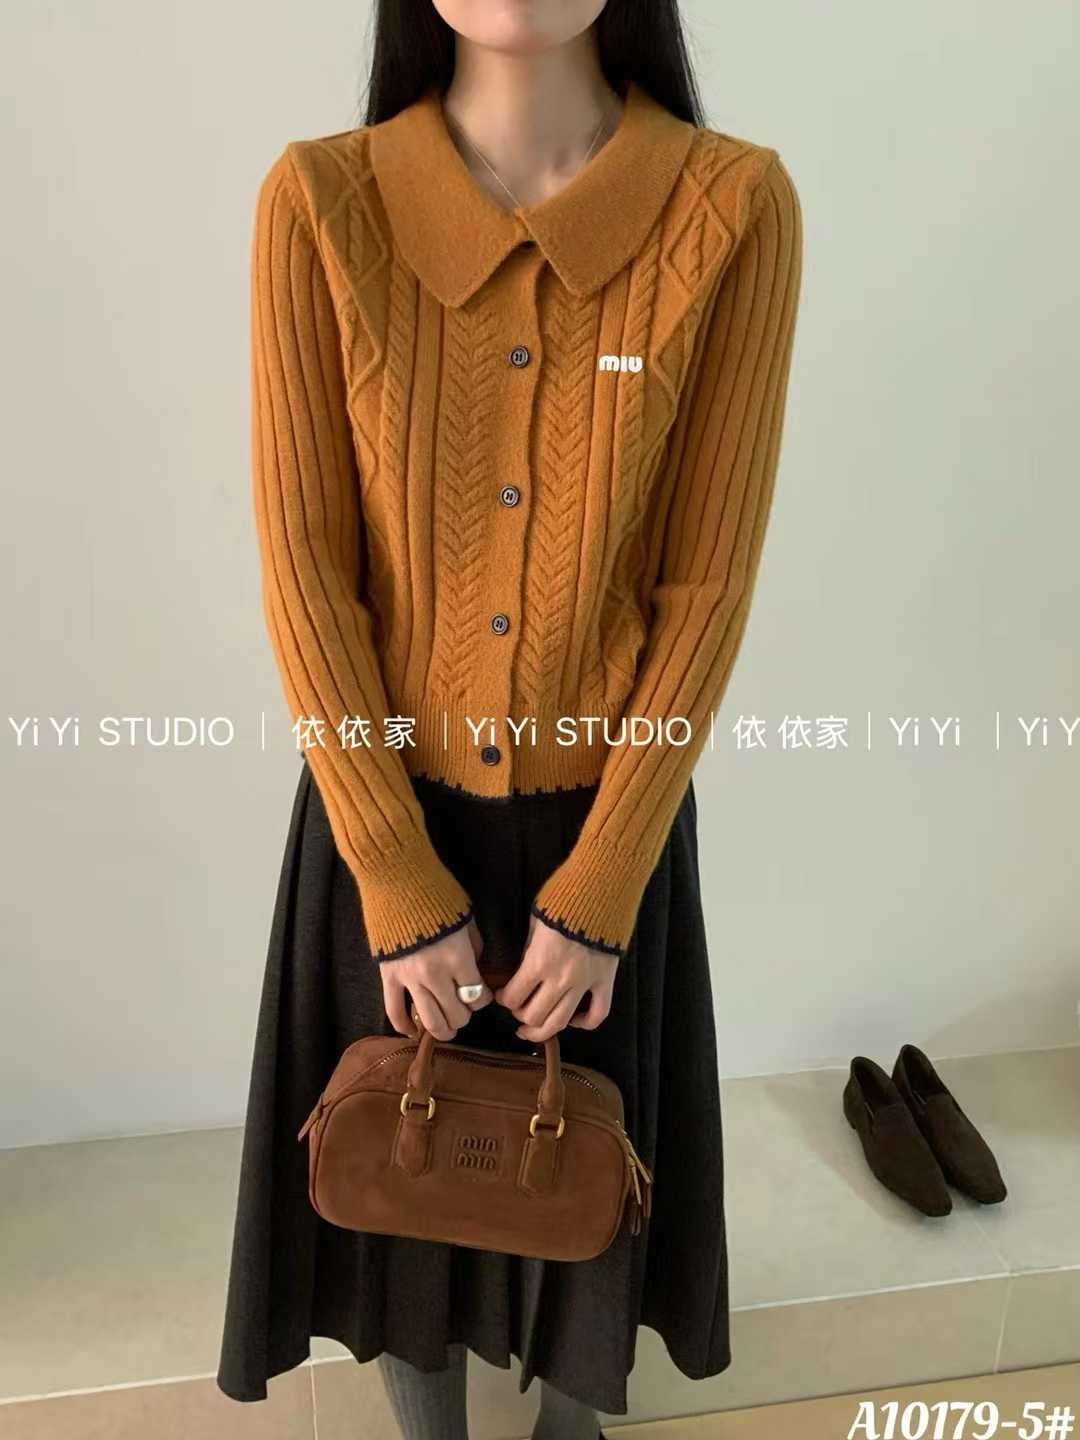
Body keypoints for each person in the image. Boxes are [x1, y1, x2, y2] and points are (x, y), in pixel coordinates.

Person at [216, 1, 803, 1435]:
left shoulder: (731, 207)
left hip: (607, 828)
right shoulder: (322, 202)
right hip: (384, 818)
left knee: (583, 1193)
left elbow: (704, 585)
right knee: (392, 1186)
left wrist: (604, 889)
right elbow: (307, 567)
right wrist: (391, 871)